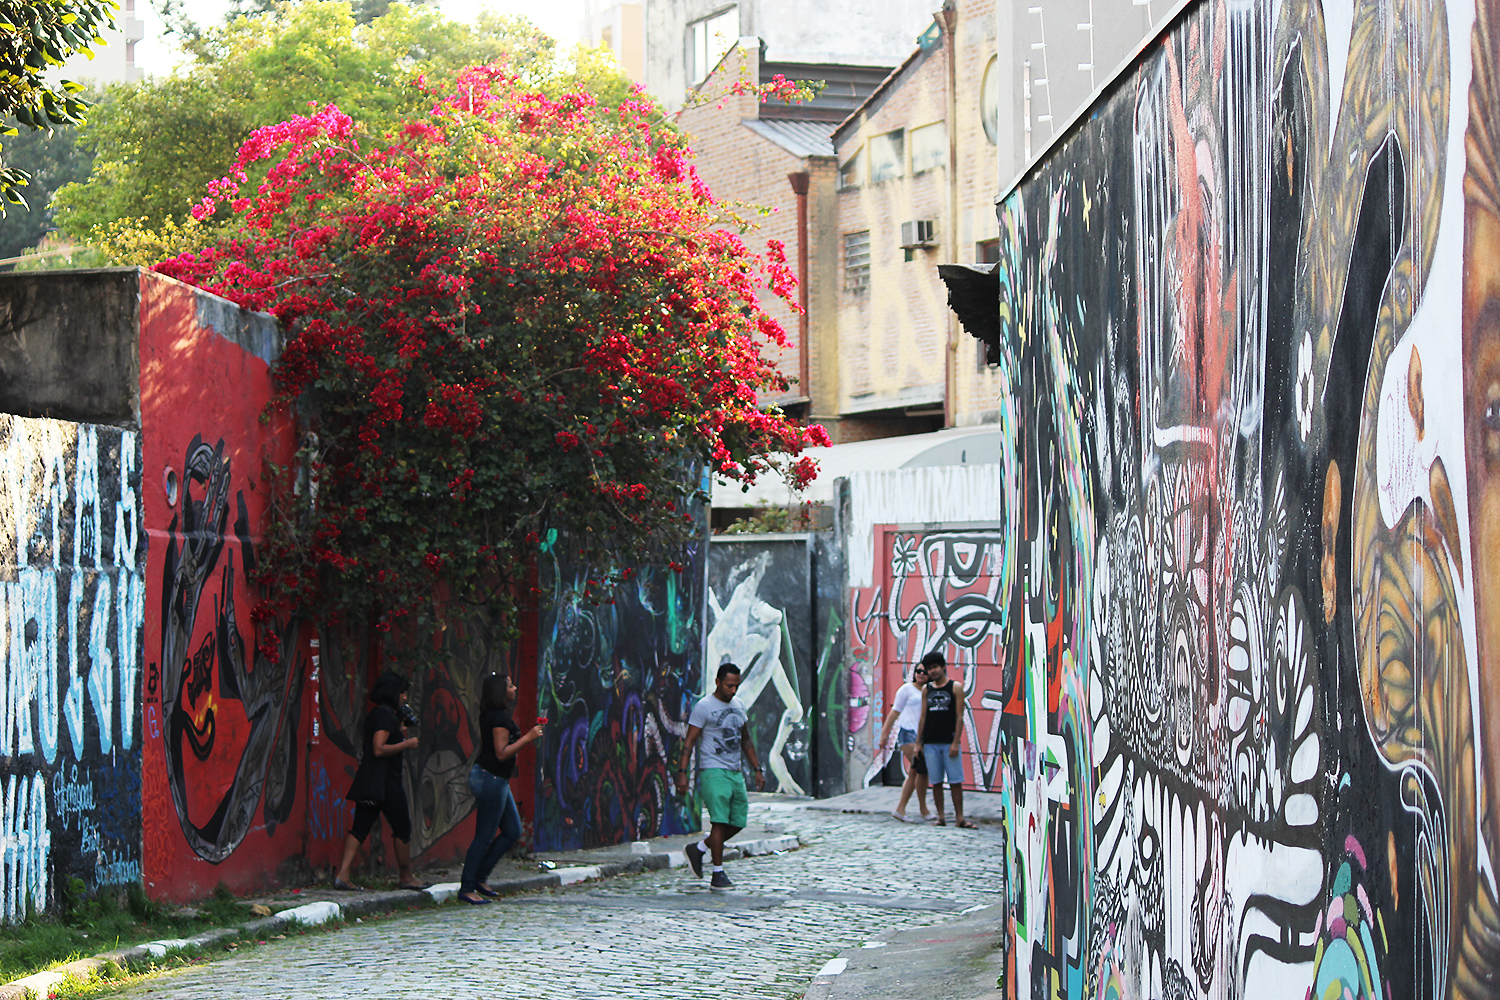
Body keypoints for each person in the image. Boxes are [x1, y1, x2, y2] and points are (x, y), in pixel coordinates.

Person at [334, 672, 430, 890]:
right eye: (402, 693)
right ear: (393, 693)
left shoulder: (378, 715)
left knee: (360, 828)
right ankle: (406, 876)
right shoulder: (385, 717)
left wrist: (400, 729)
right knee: (402, 827)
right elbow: (379, 748)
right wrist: (407, 743)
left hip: (371, 781)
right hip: (386, 783)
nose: (404, 698)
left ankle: (343, 874)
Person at [675, 662, 764, 889]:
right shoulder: (704, 706)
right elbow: (690, 742)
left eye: (736, 686)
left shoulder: (740, 705)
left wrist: (757, 769)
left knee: (738, 822)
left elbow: (746, 739)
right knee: (720, 821)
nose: (732, 690)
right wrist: (683, 773)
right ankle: (718, 873)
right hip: (713, 771)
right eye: (728, 685)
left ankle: (700, 849)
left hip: (735, 771)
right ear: (718, 682)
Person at [458, 673, 544, 905]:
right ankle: (467, 887)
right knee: (484, 836)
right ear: (500, 691)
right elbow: (501, 752)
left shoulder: (495, 715)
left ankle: (480, 878)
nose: (514, 688)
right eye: (510, 685)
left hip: (497, 779)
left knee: (513, 830)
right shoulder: (497, 718)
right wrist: (528, 737)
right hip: (490, 779)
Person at [914, 652, 975, 829]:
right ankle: (941, 816)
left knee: (955, 781)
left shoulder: (955, 687)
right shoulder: (927, 690)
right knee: (936, 782)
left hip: (949, 742)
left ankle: (959, 817)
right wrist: (919, 742)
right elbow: (923, 717)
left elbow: (959, 716)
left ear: (942, 667)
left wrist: (956, 741)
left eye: (935, 667)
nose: (932, 671)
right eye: (929, 668)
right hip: (931, 742)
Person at [877, 660, 932, 822]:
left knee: (917, 771)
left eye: (924, 672)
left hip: (923, 736)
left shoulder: (930, 690)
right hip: (907, 734)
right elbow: (895, 712)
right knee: (919, 768)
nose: (921, 674)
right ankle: (919, 809)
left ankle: (908, 809)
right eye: (918, 671)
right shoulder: (906, 689)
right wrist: (884, 734)